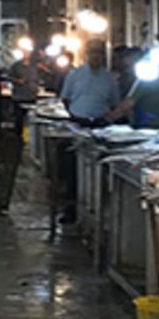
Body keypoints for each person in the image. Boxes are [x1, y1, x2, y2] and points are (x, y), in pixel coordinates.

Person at [56, 46, 123, 226]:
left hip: (101, 124)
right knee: (72, 168)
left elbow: (115, 103)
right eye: (93, 53)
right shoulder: (74, 75)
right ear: (87, 55)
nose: (96, 57)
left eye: (99, 54)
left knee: (98, 167)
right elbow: (65, 97)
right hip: (78, 121)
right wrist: (73, 114)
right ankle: (71, 208)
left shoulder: (109, 79)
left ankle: (98, 209)